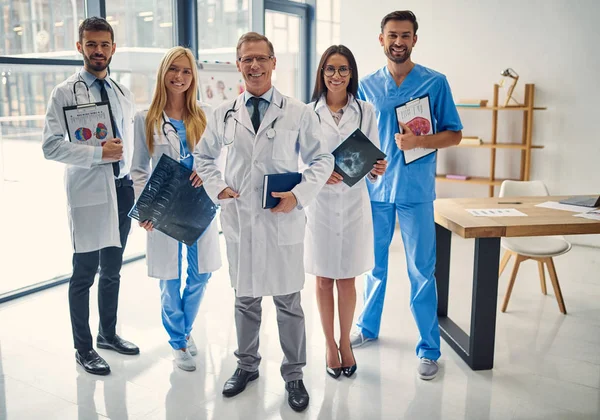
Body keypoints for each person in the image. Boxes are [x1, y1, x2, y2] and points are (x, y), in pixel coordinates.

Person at [194, 32, 333, 412]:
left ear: (273, 63)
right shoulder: (223, 112)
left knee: (289, 302)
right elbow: (202, 158)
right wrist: (218, 187)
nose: (254, 65)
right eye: (246, 59)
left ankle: (294, 375)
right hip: (241, 219)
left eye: (261, 58)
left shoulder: (299, 112)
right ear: (238, 65)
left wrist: (298, 195)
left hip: (281, 218)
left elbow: (323, 161)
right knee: (245, 299)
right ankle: (246, 366)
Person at [351, 10, 463, 381]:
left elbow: (454, 134)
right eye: (392, 35)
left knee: (421, 272)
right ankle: (367, 329)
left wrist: (421, 141)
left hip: (416, 192)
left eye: (405, 35)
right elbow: (358, 138)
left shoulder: (435, 82)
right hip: (376, 190)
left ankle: (430, 349)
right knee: (374, 266)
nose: (398, 41)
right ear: (381, 39)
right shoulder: (365, 85)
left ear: (415, 39)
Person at [42, 17, 139, 376]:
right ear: (80, 47)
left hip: (122, 188)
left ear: (113, 48)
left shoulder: (120, 91)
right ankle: (83, 348)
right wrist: (98, 154)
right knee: (84, 272)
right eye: (91, 44)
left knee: (113, 269)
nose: (98, 51)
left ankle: (108, 334)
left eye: (104, 45)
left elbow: (130, 142)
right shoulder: (65, 93)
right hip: (88, 190)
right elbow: (50, 147)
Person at [130, 47, 222, 372]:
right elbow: (138, 169)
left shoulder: (206, 115)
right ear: (163, 73)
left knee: (202, 273)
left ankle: (183, 330)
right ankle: (178, 342)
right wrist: (146, 208)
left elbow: (218, 157)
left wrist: (207, 170)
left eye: (186, 71)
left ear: (193, 76)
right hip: (163, 207)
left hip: (198, 201)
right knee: (168, 277)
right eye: (174, 70)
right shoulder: (145, 119)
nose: (179, 77)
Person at [305, 45, 387, 379]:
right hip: (321, 204)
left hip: (354, 203)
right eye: (329, 69)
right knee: (324, 278)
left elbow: (374, 160)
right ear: (321, 73)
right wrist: (320, 173)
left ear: (351, 73)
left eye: (342, 69)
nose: (336, 76)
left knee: (349, 277)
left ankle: (345, 341)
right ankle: (329, 344)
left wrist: (377, 167)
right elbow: (299, 160)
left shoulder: (367, 111)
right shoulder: (307, 113)